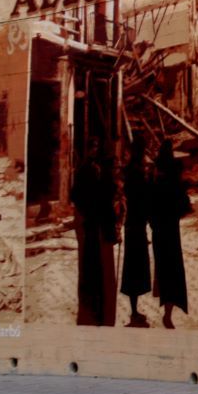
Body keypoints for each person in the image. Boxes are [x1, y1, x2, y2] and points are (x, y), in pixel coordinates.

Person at [71, 137, 117, 326]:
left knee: (100, 266)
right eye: (92, 147)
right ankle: (92, 306)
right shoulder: (83, 170)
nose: (94, 151)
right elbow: (76, 196)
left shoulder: (97, 169)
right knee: (91, 264)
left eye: (96, 147)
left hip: (97, 223)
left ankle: (99, 303)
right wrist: (88, 210)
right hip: (91, 224)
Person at [151, 139, 188, 329]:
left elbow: (149, 204)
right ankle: (168, 313)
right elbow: (184, 204)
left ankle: (167, 310)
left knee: (164, 270)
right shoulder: (174, 178)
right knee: (173, 270)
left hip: (159, 230)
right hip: (171, 230)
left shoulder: (155, 177)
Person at [120, 135, 152, 327]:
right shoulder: (136, 173)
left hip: (135, 223)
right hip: (136, 224)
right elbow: (142, 197)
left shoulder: (132, 171)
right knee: (134, 269)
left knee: (135, 268)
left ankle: (134, 310)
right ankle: (133, 312)